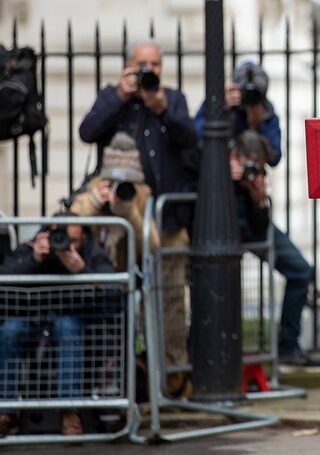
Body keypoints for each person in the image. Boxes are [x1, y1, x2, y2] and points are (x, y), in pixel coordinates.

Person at [79, 41, 199, 373]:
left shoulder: (172, 99)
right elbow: (87, 132)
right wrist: (120, 94)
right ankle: (118, 371)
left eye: (155, 65)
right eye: (141, 65)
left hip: (166, 219)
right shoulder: (113, 96)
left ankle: (172, 375)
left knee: (171, 300)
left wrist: (162, 109)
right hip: (119, 216)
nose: (149, 71)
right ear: (128, 66)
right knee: (116, 292)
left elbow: (191, 141)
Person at [197, 63, 320, 369]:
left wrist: (260, 120)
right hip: (216, 218)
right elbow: (194, 140)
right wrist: (222, 109)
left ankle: (288, 346)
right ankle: (207, 355)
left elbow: (275, 155)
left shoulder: (266, 113)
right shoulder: (219, 106)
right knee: (210, 284)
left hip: (252, 215)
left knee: (301, 271)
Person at [0, 215, 115, 437]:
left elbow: (114, 291)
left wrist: (83, 271)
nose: (66, 246)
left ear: (82, 238)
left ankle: (69, 411)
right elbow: (5, 277)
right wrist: (33, 259)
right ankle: (6, 411)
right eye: (61, 239)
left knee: (67, 326)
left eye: (73, 242)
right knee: (10, 330)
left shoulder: (92, 252)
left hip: (74, 324)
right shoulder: (33, 247)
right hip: (32, 321)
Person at [71, 132, 159, 270]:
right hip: (92, 270)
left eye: (126, 182)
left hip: (129, 272)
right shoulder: (95, 187)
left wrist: (129, 211)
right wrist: (93, 202)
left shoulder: (140, 194)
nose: (119, 187)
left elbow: (152, 245)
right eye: (113, 181)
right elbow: (70, 223)